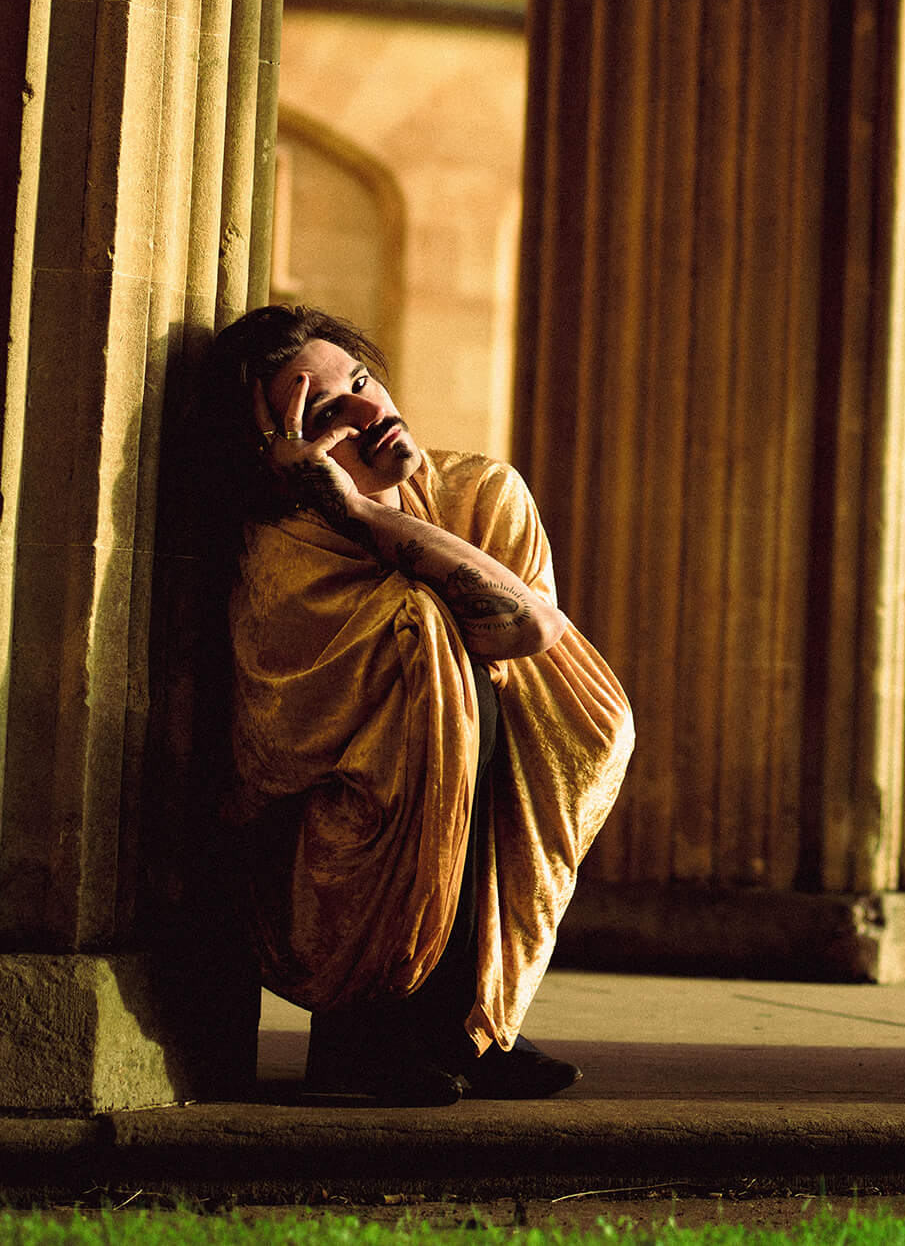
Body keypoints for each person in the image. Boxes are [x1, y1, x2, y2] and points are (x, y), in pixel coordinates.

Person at [201, 303, 634, 1105]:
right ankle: (367, 1036)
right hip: (328, 840)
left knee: (477, 692)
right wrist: (355, 513)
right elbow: (278, 754)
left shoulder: (478, 492)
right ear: (279, 454)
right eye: (331, 413)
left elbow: (534, 638)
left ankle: (471, 1023)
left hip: (481, 773)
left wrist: (380, 521)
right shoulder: (284, 555)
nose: (373, 414)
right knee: (429, 664)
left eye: (364, 382)